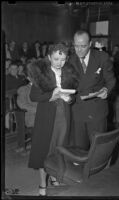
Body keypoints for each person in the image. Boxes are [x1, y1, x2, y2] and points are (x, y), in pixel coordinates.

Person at [27, 42, 79, 196]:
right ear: (49, 57)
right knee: (45, 150)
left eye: (62, 59)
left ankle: (55, 177)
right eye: (56, 59)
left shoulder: (68, 73)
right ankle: (43, 184)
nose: (59, 63)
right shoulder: (41, 75)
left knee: (60, 149)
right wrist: (52, 96)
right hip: (47, 118)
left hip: (64, 117)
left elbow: (73, 98)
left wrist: (69, 99)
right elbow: (33, 96)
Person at [69, 30, 116, 151]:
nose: (79, 50)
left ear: (90, 44)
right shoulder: (69, 60)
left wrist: (106, 89)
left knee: (98, 151)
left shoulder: (102, 57)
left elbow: (111, 80)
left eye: (83, 46)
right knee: (79, 150)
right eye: (76, 46)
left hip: (97, 111)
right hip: (77, 111)